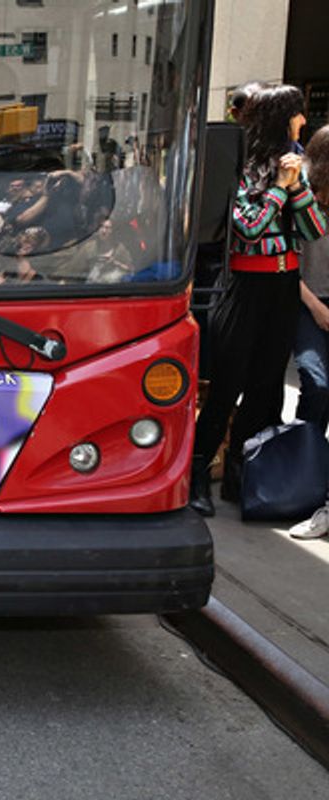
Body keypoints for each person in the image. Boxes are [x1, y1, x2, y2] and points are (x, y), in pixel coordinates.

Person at [189, 85, 328, 517]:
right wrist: (279, 190)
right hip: (244, 288)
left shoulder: (294, 167)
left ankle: (239, 471)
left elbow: (313, 231)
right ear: (281, 117)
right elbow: (247, 230)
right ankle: (196, 475)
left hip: (283, 291)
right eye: (298, 114)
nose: (303, 122)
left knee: (266, 387)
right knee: (227, 386)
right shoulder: (242, 168)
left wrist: (297, 188)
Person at [287, 125, 329, 540]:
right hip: (306, 301)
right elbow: (286, 262)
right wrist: (316, 308)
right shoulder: (302, 196)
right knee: (316, 385)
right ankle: (302, 480)